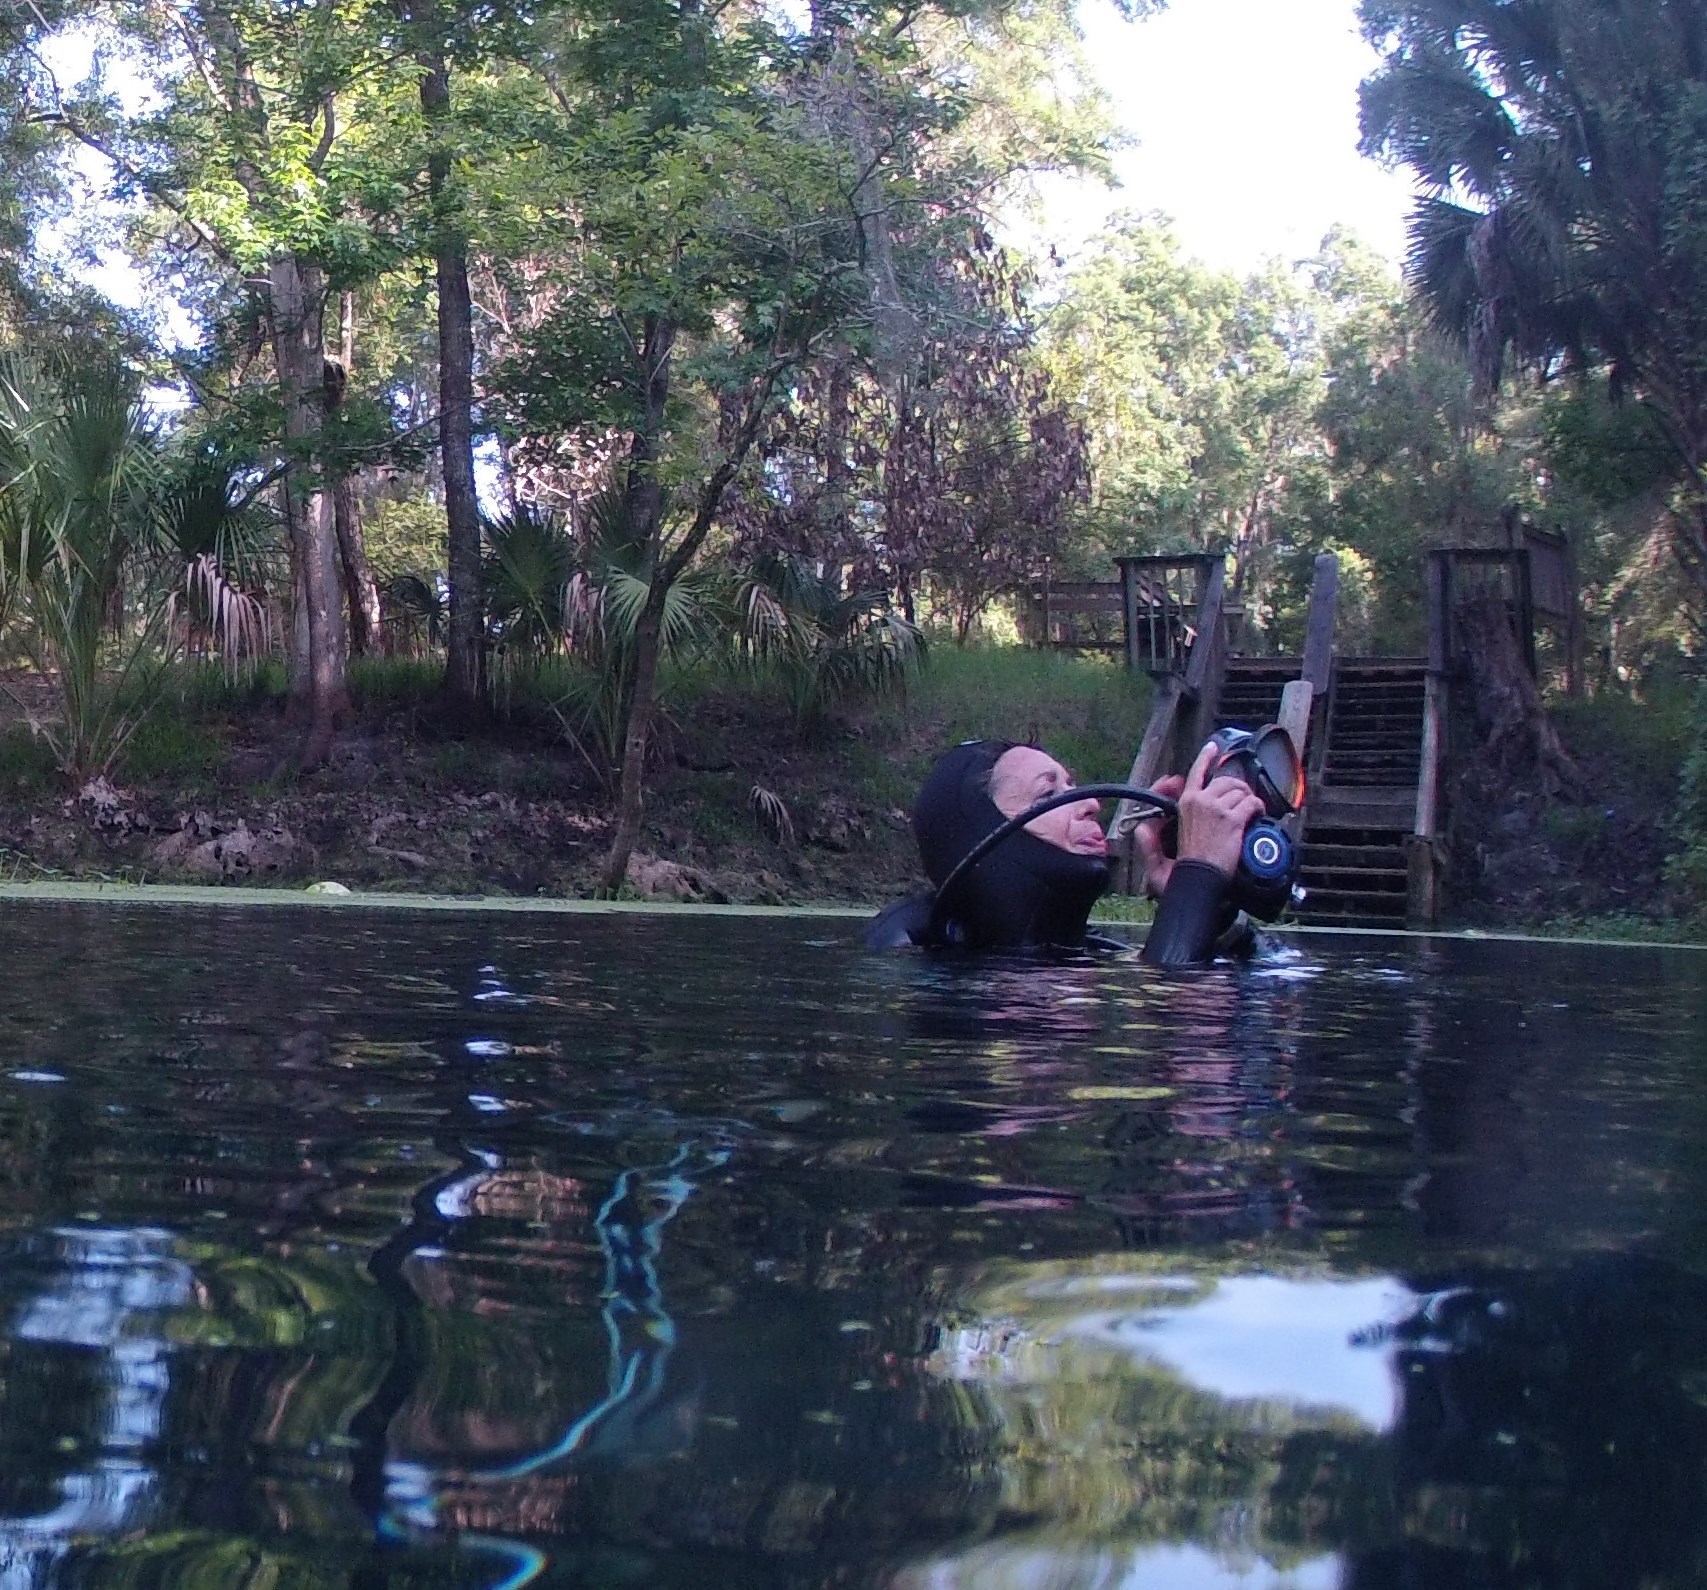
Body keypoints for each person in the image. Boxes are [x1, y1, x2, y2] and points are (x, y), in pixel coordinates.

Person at [864, 737, 1266, 965]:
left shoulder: (1100, 952)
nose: (1092, 803)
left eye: (1072, 786)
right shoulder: (915, 956)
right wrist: (1198, 877)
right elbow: (1179, 1035)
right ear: (980, 831)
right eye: (1047, 793)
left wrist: (1210, 909)